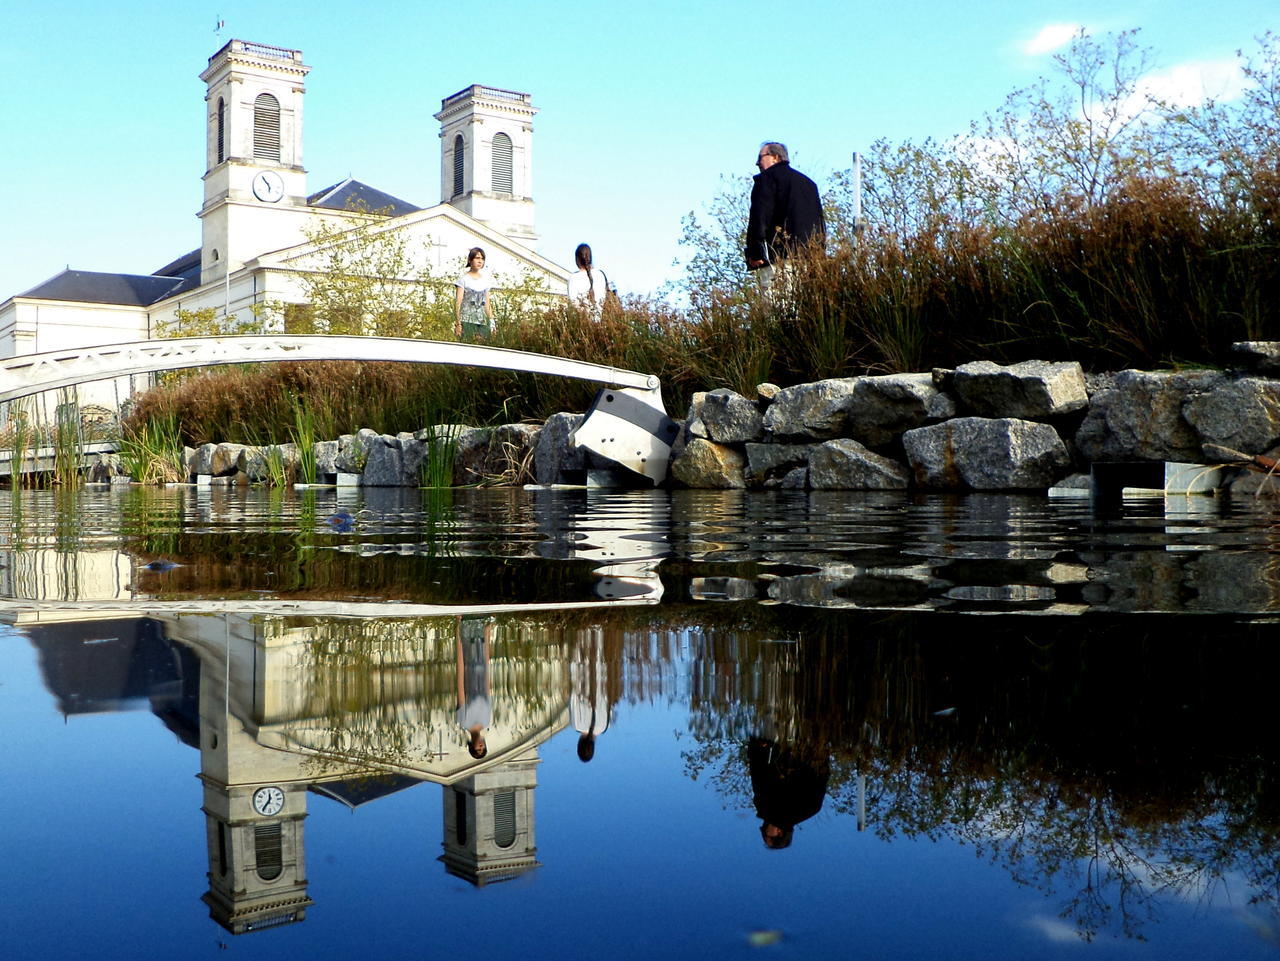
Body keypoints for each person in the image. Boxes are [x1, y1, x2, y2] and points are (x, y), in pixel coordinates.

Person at [744, 142, 825, 284]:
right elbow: (820, 223)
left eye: (760, 157)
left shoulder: (766, 180)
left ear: (775, 157)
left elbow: (760, 217)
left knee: (777, 304)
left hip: (781, 259)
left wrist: (755, 252)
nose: (757, 163)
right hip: (812, 261)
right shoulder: (809, 184)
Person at [456, 615, 495, 759]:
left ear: (471, 747)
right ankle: (483, 624)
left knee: (468, 634)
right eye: (483, 749)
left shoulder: (463, 721)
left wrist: (457, 627)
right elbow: (487, 689)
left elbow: (460, 686)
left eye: (477, 750)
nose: (480, 747)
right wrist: (488, 633)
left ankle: (466, 621)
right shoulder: (486, 721)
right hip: (481, 665)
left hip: (468, 666)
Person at [454, 247, 494, 340]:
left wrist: (492, 323)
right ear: (470, 260)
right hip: (466, 321)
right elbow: (458, 302)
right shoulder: (463, 280)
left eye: (482, 259)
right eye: (477, 258)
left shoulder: (485, 281)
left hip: (482, 323)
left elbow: (487, 304)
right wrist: (458, 323)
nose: (480, 261)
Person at [566, 243, 611, 321]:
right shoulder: (600, 274)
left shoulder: (573, 278)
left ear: (577, 259)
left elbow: (573, 304)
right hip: (603, 325)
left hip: (582, 326)